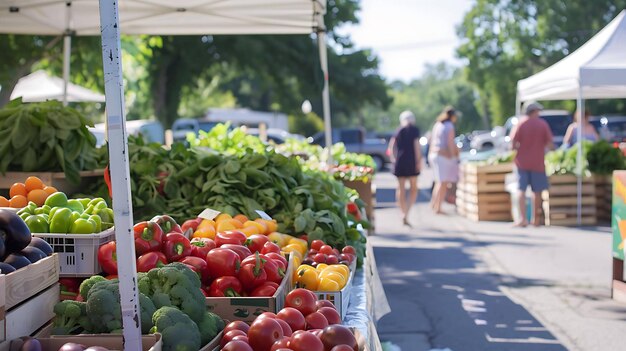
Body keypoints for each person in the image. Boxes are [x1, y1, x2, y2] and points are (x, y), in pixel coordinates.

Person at [510, 102, 554, 227]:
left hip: (522, 162)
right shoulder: (542, 124)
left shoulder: (520, 123)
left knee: (521, 190)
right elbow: (550, 144)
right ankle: (536, 220)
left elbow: (513, 143)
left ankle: (523, 219)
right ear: (534, 111)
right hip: (538, 162)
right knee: (537, 191)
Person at [387, 111, 422, 226]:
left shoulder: (398, 130)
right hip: (411, 162)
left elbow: (391, 147)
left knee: (400, 189)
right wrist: (418, 161)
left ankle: (403, 212)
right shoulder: (414, 130)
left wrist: (393, 159)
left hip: (400, 161)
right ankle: (406, 213)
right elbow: (416, 146)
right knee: (413, 188)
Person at [428, 106, 459, 214]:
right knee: (443, 183)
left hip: (434, 154)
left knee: (438, 181)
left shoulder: (438, 124)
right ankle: (438, 207)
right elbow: (450, 143)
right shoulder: (449, 126)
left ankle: (434, 204)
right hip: (443, 156)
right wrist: (453, 156)